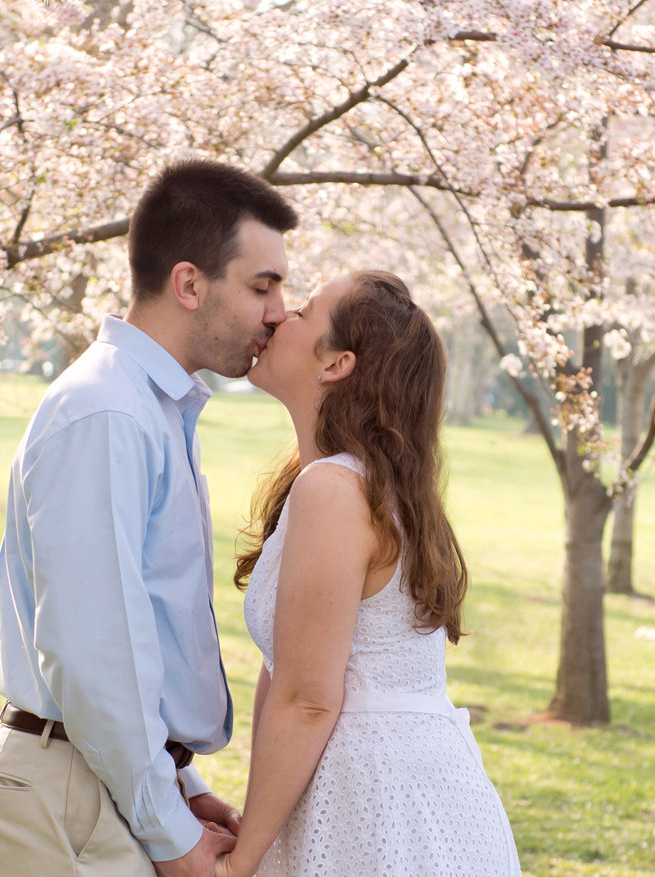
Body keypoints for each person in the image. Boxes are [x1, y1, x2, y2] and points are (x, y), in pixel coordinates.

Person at [0, 158, 299, 877]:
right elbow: (94, 650)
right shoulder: (108, 411)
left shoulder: (152, 409)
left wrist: (183, 786)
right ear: (189, 283)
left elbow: (142, 629)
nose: (279, 311)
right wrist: (169, 828)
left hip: (102, 779)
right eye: (262, 285)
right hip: (71, 791)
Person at [218, 270, 521, 877]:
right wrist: (258, 827)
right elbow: (283, 677)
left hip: (384, 805)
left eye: (302, 312)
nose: (278, 317)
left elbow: (307, 701)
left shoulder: (335, 489)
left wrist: (240, 864)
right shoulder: (337, 482)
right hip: (371, 790)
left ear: (336, 364)